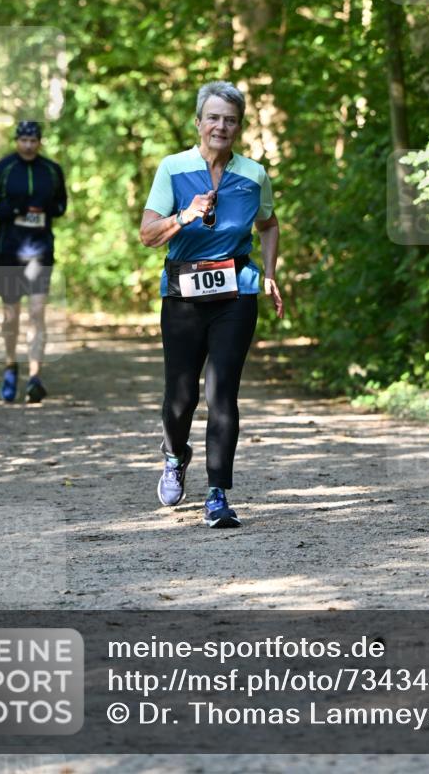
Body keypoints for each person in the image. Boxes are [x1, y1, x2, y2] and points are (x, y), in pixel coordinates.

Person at [140, 80, 284, 528]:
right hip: (182, 292)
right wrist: (184, 215)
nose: (221, 126)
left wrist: (270, 272)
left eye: (230, 119)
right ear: (198, 122)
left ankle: (218, 493)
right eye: (214, 118)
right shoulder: (173, 168)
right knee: (180, 397)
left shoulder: (254, 174)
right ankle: (174, 454)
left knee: (222, 394)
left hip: (235, 291)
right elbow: (147, 235)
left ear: (238, 127)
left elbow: (269, 224)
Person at [0, 120, 67, 403]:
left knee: (37, 312)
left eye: (33, 140)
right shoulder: (3, 169)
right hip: (9, 251)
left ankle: (35, 377)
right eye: (23, 140)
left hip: (40, 250)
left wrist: (47, 209)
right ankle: (10, 366)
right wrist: (9, 210)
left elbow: (62, 205)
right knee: (11, 316)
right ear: (17, 141)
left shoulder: (51, 170)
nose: (28, 145)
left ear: (40, 142)